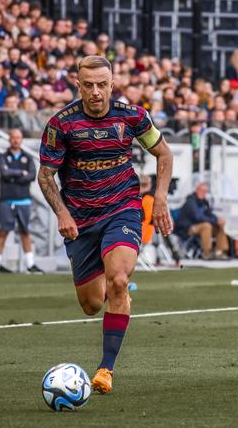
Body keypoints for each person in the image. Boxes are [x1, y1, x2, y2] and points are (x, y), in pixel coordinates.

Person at [37, 55, 173, 395]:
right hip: (80, 219)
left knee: (119, 279)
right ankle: (118, 298)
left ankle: (105, 369)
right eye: (88, 85)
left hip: (122, 209)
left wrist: (159, 199)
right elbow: (45, 176)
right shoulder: (61, 124)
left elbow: (164, 154)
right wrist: (62, 213)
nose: (96, 92)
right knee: (91, 304)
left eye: (102, 84)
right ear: (77, 84)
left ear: (112, 84)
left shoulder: (133, 117)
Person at [0, 128, 42, 274]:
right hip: (7, 200)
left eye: (18, 138)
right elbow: (4, 173)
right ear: (9, 139)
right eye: (13, 137)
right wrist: (21, 173)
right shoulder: (2, 157)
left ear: (21, 140)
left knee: (25, 232)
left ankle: (30, 264)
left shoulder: (27, 158)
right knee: (3, 232)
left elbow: (31, 176)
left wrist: (14, 176)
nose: (16, 140)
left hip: (24, 200)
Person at [174, 182, 230, 260]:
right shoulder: (191, 202)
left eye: (205, 191)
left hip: (199, 226)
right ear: (197, 190)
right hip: (187, 228)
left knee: (218, 226)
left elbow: (209, 214)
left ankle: (220, 252)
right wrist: (215, 220)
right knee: (206, 226)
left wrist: (218, 220)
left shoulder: (204, 202)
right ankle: (206, 253)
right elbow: (198, 217)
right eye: (202, 190)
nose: (204, 193)